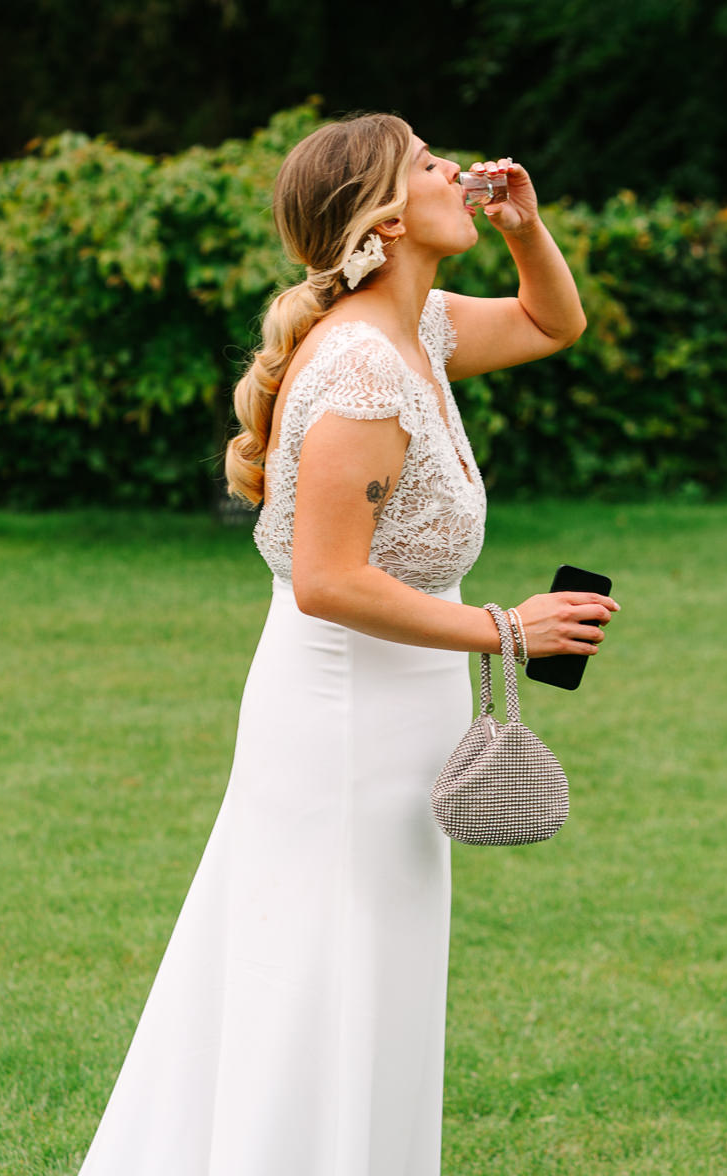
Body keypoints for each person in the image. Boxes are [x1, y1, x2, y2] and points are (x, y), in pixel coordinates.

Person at [76, 112, 620, 1176]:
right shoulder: (365, 370)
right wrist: (504, 629)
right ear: (381, 213)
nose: (454, 167)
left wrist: (525, 231)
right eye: (427, 163)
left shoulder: (421, 329)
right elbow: (328, 581)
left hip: (401, 711)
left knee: (370, 980)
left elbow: (554, 324)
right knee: (319, 980)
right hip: (341, 723)